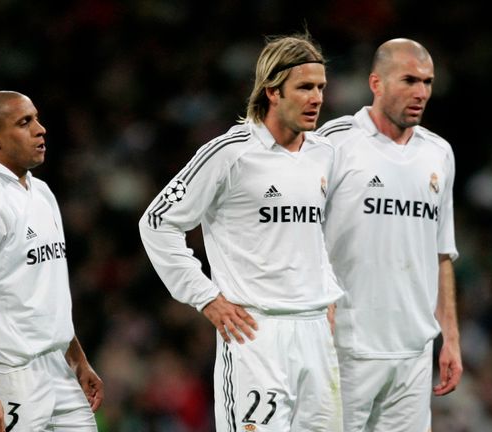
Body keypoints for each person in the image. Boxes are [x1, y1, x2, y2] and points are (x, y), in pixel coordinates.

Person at [138, 33, 343, 431]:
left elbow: (320, 233)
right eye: (304, 87)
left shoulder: (325, 154)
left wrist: (328, 290)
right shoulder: (230, 153)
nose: (317, 98)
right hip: (256, 334)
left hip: (317, 333)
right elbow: (157, 221)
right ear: (272, 91)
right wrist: (205, 297)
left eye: (320, 87)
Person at [317, 38, 463, 431]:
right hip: (347, 346)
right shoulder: (335, 143)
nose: (421, 92)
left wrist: (450, 338)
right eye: (409, 80)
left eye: (428, 82)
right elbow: (302, 232)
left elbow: (442, 252)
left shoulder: (439, 153)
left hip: (414, 352)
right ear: (376, 83)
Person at [0, 91, 103, 432]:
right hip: (5, 375)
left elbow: (48, 290)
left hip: (56, 369)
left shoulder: (42, 193)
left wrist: (77, 359)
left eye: (37, 118)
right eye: (25, 122)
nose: (40, 129)